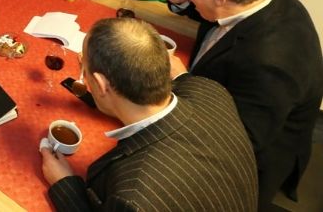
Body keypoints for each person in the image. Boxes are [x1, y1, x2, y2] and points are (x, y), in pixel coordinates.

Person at [162, 0, 323, 209]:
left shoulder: (270, 62)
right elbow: (215, 14)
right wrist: (183, 2)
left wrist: (182, 81)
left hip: (251, 159)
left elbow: (240, 139)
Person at [41, 17, 258, 211]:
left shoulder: (134, 197)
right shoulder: (210, 90)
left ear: (100, 84)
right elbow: (184, 81)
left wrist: (64, 183)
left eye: (84, 71)